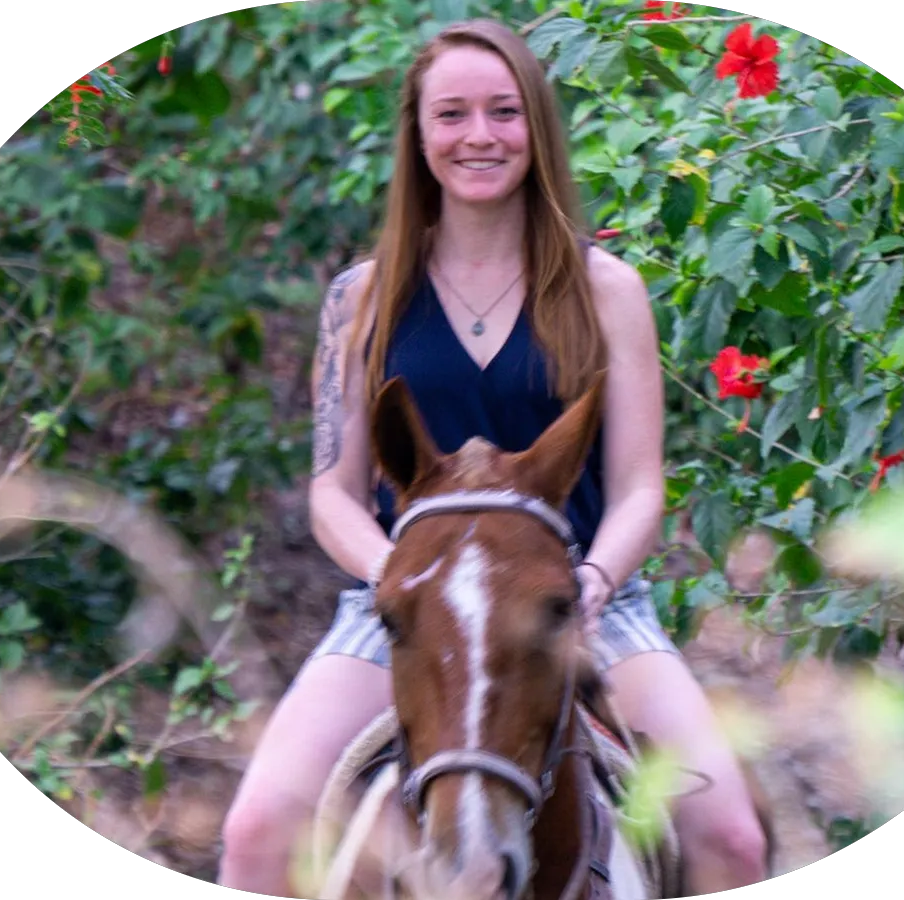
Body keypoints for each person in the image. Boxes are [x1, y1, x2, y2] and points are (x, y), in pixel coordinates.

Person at [218, 18, 768, 897]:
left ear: (536, 126)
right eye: (452, 114)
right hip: (406, 606)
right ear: (419, 134)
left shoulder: (606, 289)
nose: (479, 135)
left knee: (730, 839)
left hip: (582, 601)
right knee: (254, 836)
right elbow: (333, 495)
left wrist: (590, 584)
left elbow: (638, 490)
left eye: (504, 112)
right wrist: (409, 584)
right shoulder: (360, 298)